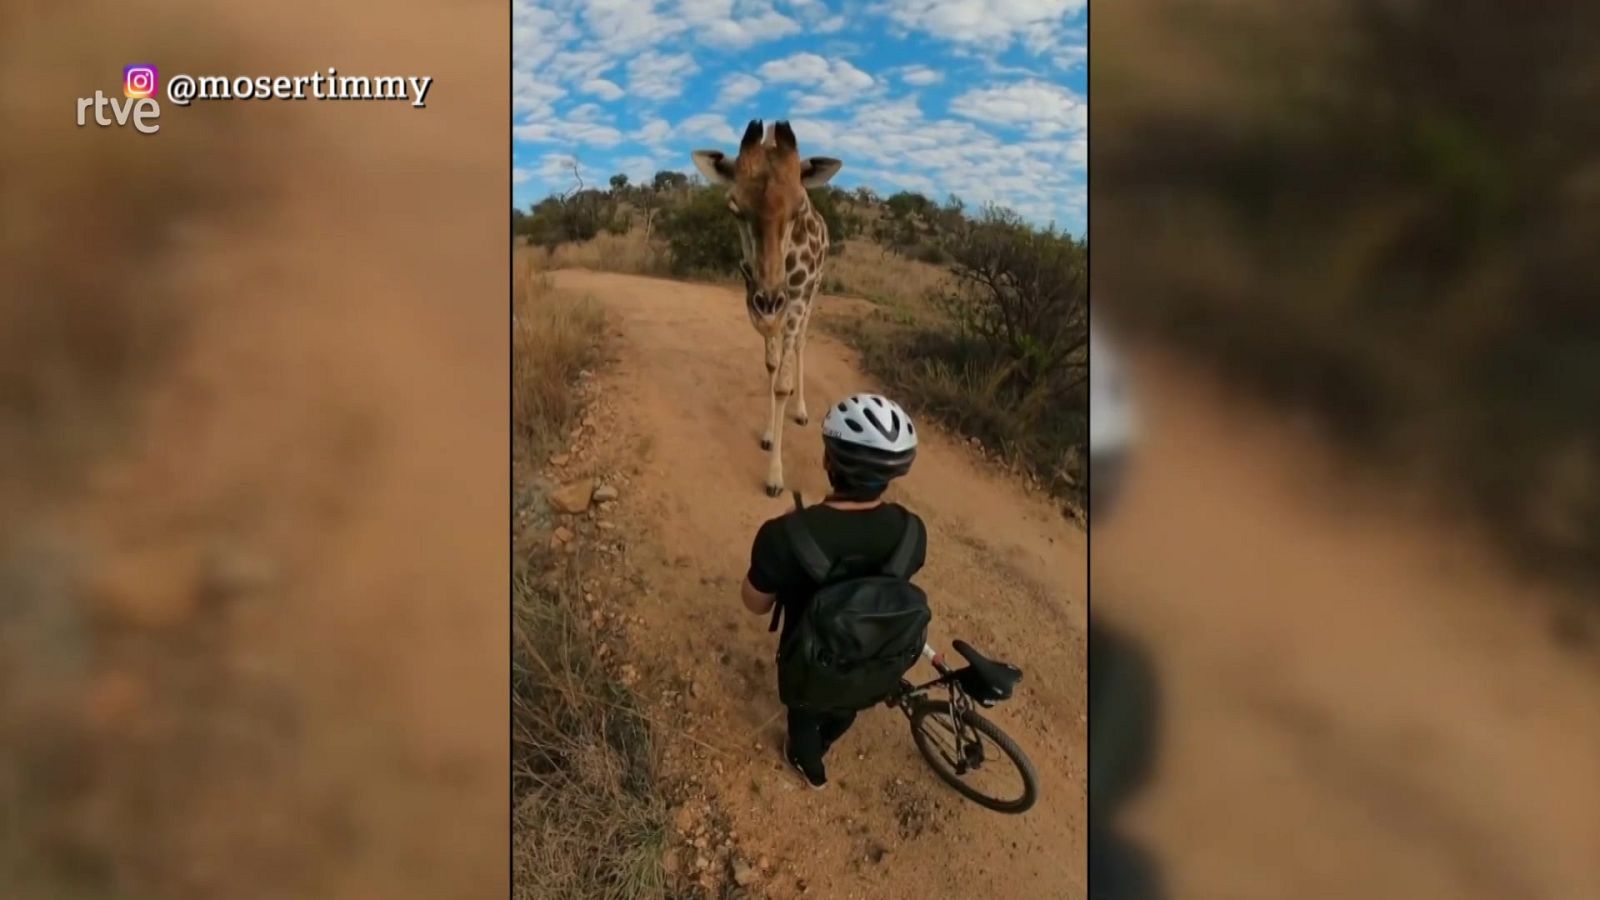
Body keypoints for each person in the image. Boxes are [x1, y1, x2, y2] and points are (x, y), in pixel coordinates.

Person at [739, 393, 926, 789]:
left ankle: (808, 760)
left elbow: (754, 603)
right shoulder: (912, 531)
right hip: (871, 661)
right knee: (848, 704)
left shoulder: (785, 535)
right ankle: (830, 738)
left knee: (804, 715)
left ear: (828, 462)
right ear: (894, 474)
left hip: (810, 668)